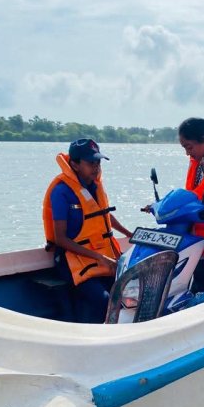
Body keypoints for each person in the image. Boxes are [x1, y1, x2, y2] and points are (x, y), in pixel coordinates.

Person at [42, 138, 132, 323]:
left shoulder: (94, 186)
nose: (96, 167)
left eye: (98, 162)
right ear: (75, 164)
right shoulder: (62, 192)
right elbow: (60, 239)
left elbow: (102, 215)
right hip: (72, 261)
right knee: (105, 301)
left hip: (100, 258)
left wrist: (128, 233)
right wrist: (100, 257)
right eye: (90, 162)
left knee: (131, 294)